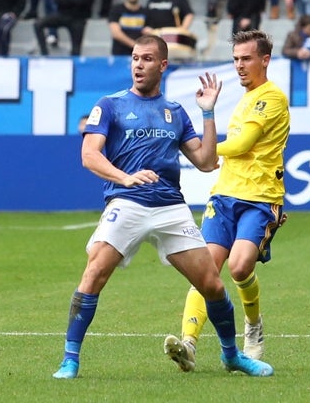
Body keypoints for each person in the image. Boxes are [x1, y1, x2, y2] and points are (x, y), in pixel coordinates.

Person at [53, 35, 272, 380]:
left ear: (163, 65)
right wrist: (124, 179)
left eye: (147, 59)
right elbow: (89, 155)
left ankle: (232, 356)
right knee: (95, 272)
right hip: (127, 202)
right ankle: (70, 360)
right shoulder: (109, 105)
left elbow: (205, 160)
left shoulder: (174, 111)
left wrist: (209, 112)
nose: (138, 65)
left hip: (170, 206)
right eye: (135, 58)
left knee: (213, 285)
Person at [169, 30, 290, 368]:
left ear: (264, 60)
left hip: (260, 198)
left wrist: (195, 148)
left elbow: (240, 146)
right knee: (205, 271)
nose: (239, 66)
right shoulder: (245, 98)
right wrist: (206, 116)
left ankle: (253, 327)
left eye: (246, 58)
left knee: (239, 267)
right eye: (235, 59)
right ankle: (188, 344)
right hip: (224, 195)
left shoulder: (271, 98)